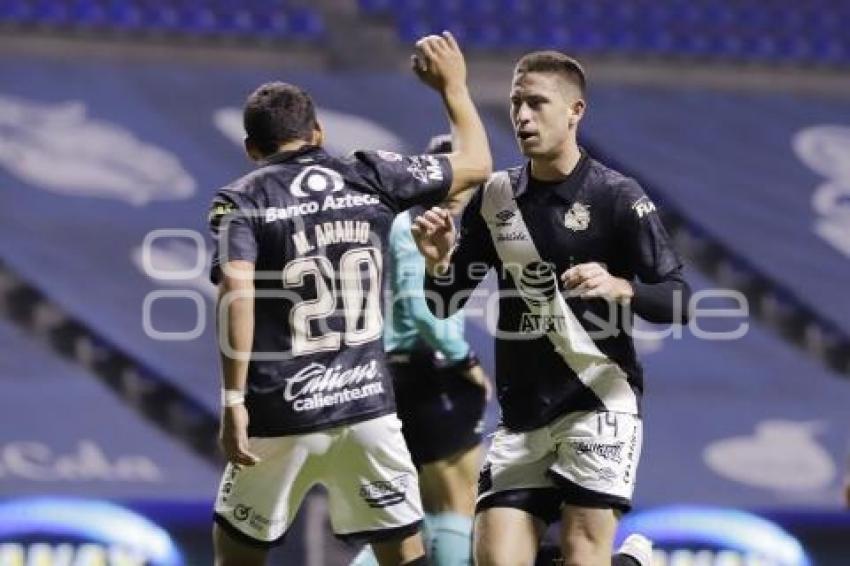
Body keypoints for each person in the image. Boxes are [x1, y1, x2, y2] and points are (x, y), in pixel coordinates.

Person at [208, 31, 491, 566]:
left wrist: (232, 402)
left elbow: (236, 290)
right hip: (369, 411)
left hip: (280, 412)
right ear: (318, 132)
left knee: (235, 557)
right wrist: (453, 86)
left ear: (252, 150)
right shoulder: (370, 174)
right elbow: (475, 162)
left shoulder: (241, 200)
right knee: (406, 557)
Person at [412, 51, 691, 566]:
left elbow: (679, 299)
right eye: (517, 103)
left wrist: (621, 286)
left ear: (574, 111)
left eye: (536, 103)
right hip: (521, 420)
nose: (521, 116)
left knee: (583, 554)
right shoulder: (494, 199)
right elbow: (443, 301)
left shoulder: (616, 197)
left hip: (599, 405)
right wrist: (435, 264)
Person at [351, 135, 492, 566]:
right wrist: (465, 362)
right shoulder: (423, 225)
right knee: (457, 502)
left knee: (411, 511)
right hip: (433, 372)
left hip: (399, 372)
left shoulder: (401, 222)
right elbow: (422, 305)